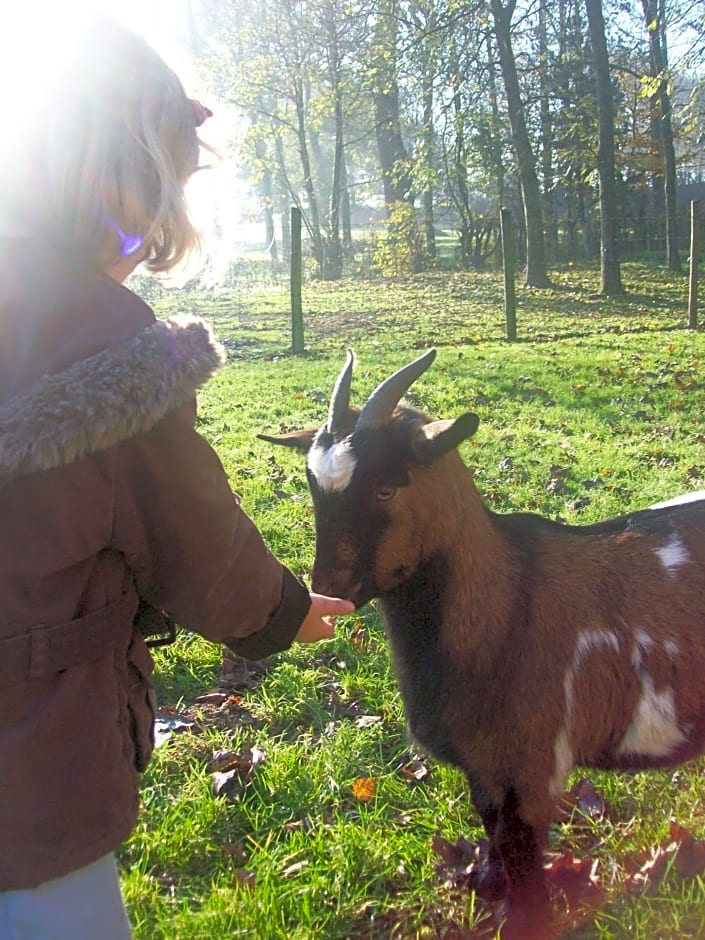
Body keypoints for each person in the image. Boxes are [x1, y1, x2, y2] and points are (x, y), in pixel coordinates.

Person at [0, 15, 353, 940]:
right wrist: (284, 611)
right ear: (127, 180)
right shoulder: (114, 353)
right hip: (27, 772)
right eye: (172, 190)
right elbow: (197, 539)